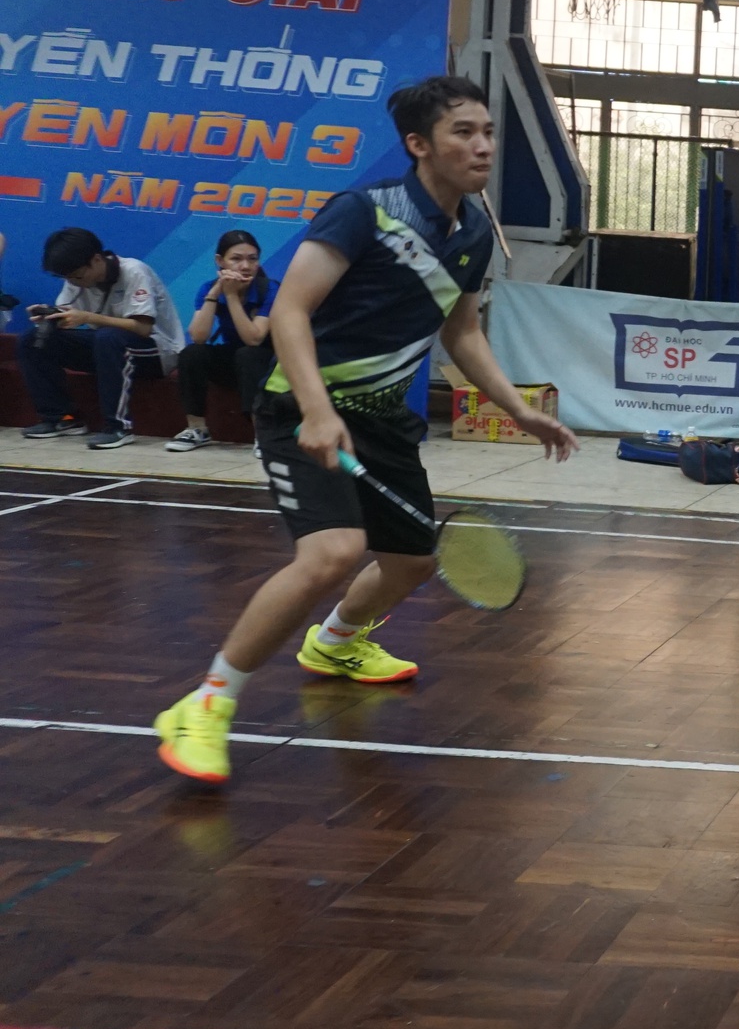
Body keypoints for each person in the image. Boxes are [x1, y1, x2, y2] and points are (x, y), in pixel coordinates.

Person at [150, 76, 579, 787]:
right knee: (333, 553)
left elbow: (463, 331)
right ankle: (205, 703)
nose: (482, 146)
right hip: (301, 408)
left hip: (382, 419)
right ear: (419, 144)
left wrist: (516, 405)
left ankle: (337, 645)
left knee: (410, 561)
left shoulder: (472, 230)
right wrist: (318, 411)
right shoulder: (364, 212)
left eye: (486, 131)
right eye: (463, 133)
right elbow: (289, 312)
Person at [18, 227, 184, 450]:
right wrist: (50, 316)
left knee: (108, 338)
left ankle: (118, 427)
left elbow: (142, 328)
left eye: (77, 275)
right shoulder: (76, 279)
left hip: (157, 352)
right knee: (33, 339)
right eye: (67, 277)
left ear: (96, 259)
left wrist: (87, 317)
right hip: (108, 347)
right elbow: (68, 311)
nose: (74, 282)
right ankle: (62, 418)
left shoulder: (134, 271)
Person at [166, 230, 277, 452]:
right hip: (235, 360)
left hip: (269, 363)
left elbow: (254, 339)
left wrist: (233, 297)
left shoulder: (270, 289)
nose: (245, 266)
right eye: (236, 259)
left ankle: (262, 435)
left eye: (252, 259)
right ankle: (197, 429)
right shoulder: (209, 289)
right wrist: (217, 292)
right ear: (220, 261)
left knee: (248, 354)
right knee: (191, 353)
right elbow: (198, 336)